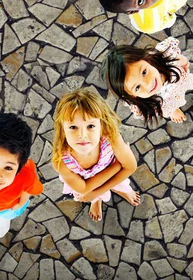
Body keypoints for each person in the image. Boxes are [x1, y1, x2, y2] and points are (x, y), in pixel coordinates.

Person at [52, 89, 140, 222]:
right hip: (93, 179)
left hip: (109, 177)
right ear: (62, 129)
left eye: (91, 126)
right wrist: (117, 166)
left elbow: (131, 167)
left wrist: (96, 192)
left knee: (116, 186)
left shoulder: (111, 138)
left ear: (102, 125)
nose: (82, 135)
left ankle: (118, 191)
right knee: (91, 195)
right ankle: (97, 201)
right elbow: (83, 188)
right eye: (73, 127)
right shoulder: (61, 161)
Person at [102, 38, 193, 124]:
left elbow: (181, 61)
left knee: (187, 80)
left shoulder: (166, 58)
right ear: (132, 95)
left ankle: (192, 83)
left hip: (179, 82)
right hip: (165, 102)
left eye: (144, 72)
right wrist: (171, 110)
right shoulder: (145, 104)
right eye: (137, 87)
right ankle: (174, 110)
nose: (148, 84)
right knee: (169, 108)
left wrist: (183, 63)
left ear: (146, 59)